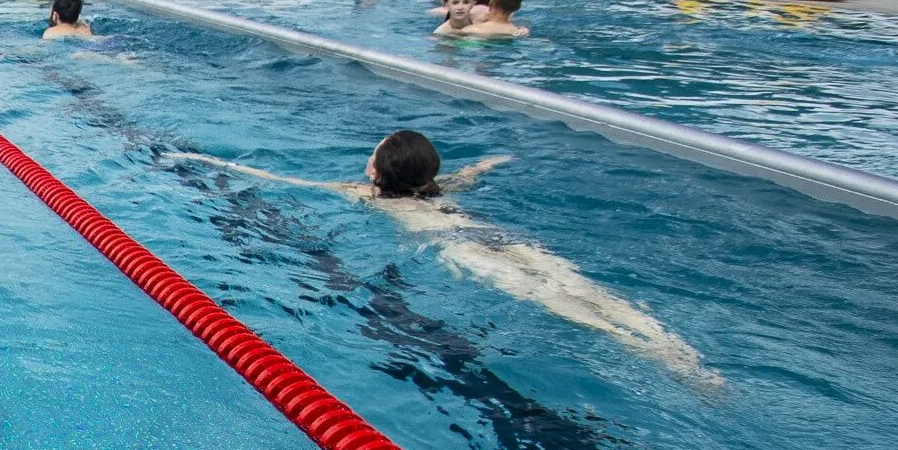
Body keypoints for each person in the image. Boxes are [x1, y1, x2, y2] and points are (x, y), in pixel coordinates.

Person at [166, 131, 716, 382]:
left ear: (378, 173)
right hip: (492, 234)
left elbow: (277, 178)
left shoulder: (360, 194)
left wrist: (203, 159)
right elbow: (470, 174)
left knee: (554, 302)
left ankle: (655, 357)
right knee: (583, 291)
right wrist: (496, 159)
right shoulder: (439, 189)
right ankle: (673, 350)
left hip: (456, 251)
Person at [436, 0, 529, 39]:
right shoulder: (515, 31)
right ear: (517, 8)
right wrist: (524, 30)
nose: (461, 7)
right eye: (455, 2)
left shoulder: (469, 30)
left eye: (466, 2)